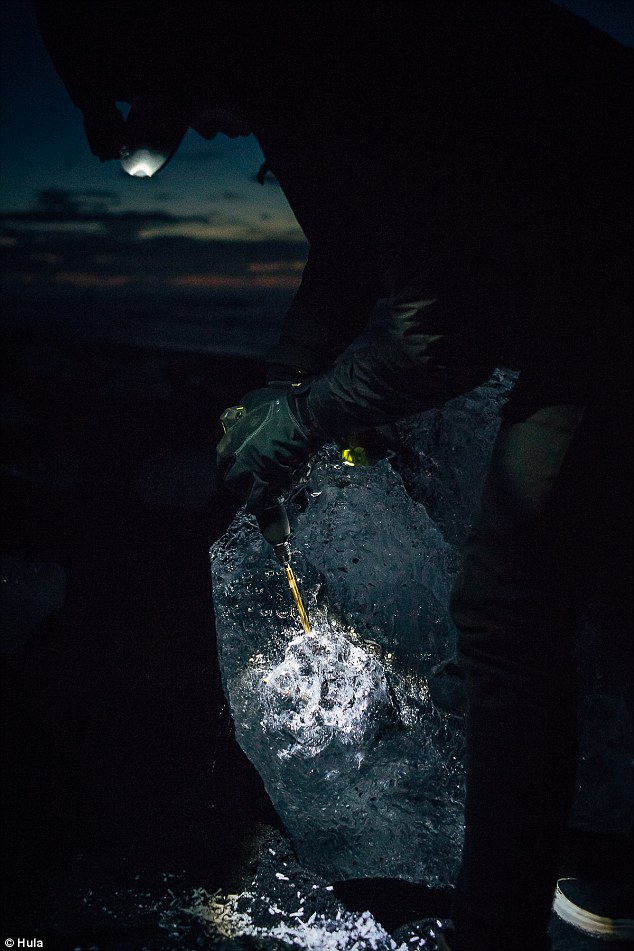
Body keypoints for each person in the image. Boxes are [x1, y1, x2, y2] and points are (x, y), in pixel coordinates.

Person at [37, 2, 633, 948]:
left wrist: (304, 419)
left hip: (607, 287)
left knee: (510, 602)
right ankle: (593, 828)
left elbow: (445, 332)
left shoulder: (352, 60)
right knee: (562, 565)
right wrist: (284, 381)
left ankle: (500, 925)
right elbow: (351, 251)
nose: (201, 129)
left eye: (184, 102)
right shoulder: (296, 76)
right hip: (568, 300)